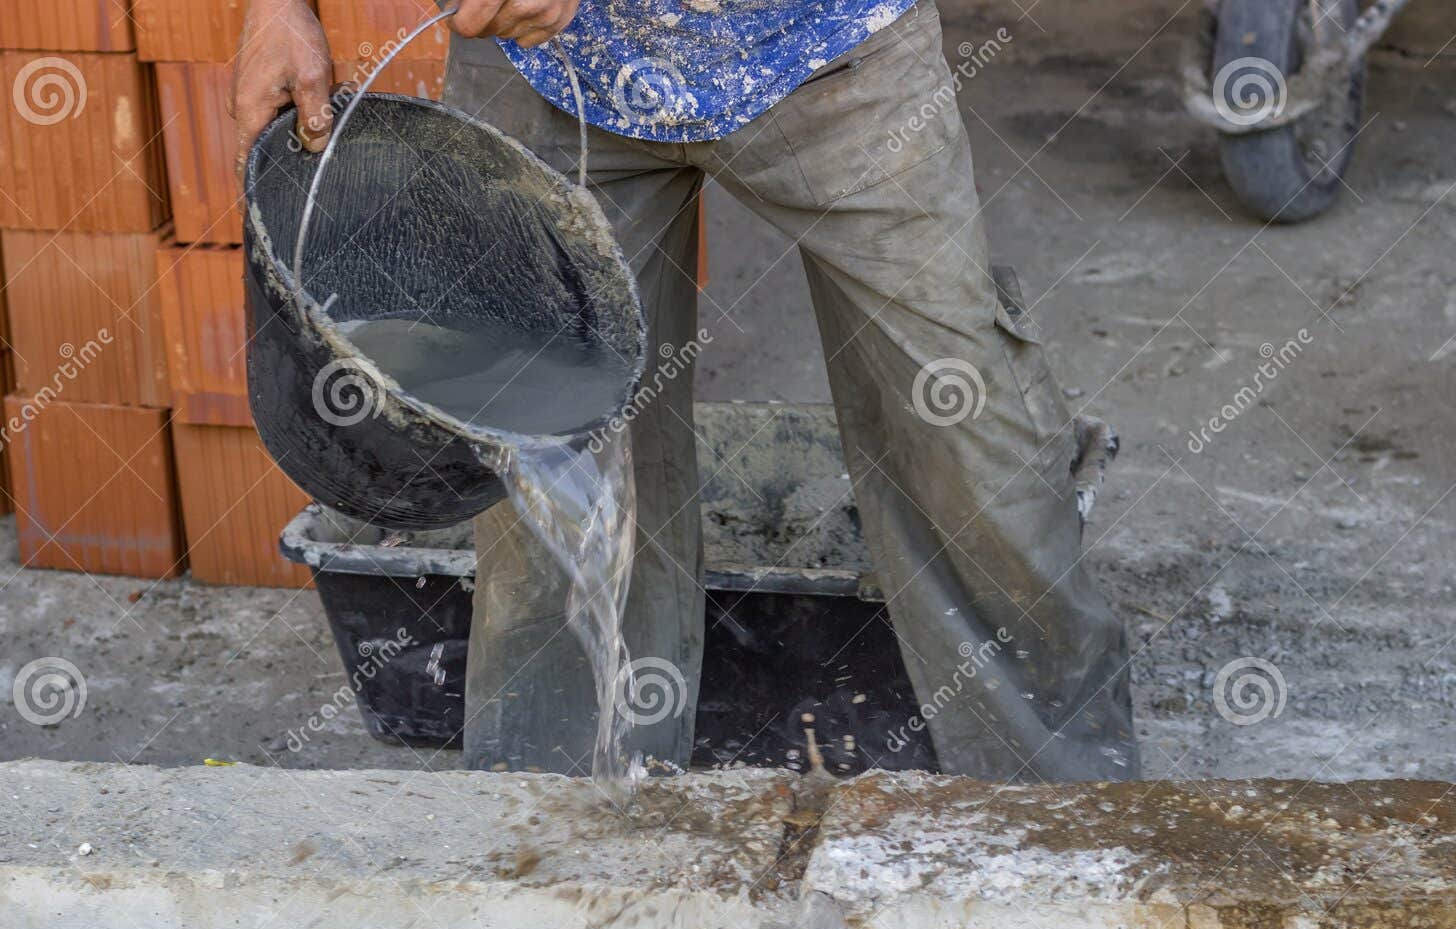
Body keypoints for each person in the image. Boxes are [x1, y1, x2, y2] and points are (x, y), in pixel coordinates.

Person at [232, 0, 1137, 782]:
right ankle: (572, 864)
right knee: (543, 462)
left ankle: (1073, 838)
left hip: (831, 53)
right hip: (553, 67)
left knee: (968, 440)